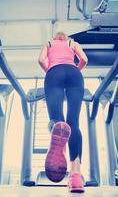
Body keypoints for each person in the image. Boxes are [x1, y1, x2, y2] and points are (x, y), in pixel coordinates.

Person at [38, 31, 88, 193]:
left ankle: (57, 127)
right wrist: (76, 70)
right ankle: (75, 177)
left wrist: (50, 71)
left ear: (54, 38)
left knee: (57, 119)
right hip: (74, 73)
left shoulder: (49, 43)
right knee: (73, 122)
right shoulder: (72, 43)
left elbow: (40, 60)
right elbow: (84, 59)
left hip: (54, 73)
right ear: (65, 38)